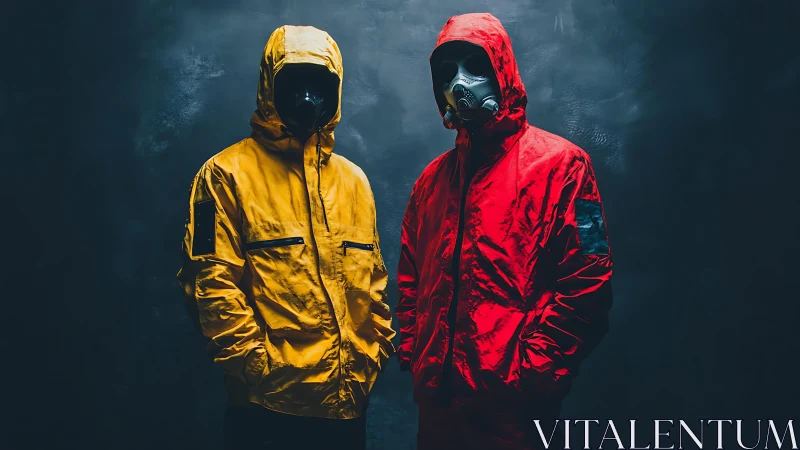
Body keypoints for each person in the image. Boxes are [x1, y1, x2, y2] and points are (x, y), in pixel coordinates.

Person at [396, 13, 614, 449]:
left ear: (502, 70)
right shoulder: (430, 183)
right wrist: (415, 355)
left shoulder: (566, 168)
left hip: (515, 417)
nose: (459, 83)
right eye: (446, 73)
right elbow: (410, 279)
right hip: (438, 414)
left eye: (474, 66)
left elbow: (591, 280)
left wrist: (532, 370)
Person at [177, 25, 395, 450]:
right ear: (269, 87)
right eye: (294, 83)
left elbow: (373, 285)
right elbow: (210, 286)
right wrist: (260, 370)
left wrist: (375, 352)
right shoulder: (223, 176)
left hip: (347, 409)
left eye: (321, 84)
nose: (308, 98)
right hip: (266, 412)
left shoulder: (354, 183)